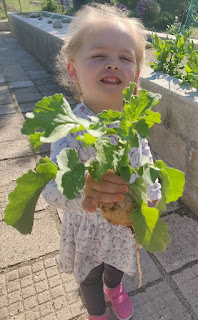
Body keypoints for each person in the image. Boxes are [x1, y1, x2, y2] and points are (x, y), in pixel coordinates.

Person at [42, 3, 161, 320]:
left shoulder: (133, 123)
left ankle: (116, 290)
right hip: (86, 230)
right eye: (99, 56)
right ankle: (96, 312)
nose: (113, 64)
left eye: (125, 58)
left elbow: (144, 157)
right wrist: (85, 187)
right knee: (89, 276)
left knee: (115, 267)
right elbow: (51, 191)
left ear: (134, 74)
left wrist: (150, 188)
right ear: (73, 70)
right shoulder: (68, 130)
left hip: (122, 225)